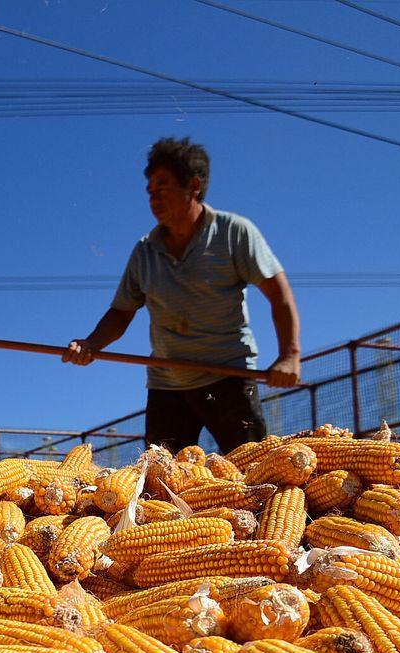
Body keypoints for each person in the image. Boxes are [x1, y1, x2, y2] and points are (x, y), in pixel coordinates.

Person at [64, 137, 301, 452]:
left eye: (161, 189)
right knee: (161, 484)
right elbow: (121, 312)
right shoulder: (144, 251)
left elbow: (279, 294)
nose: (153, 199)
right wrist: (92, 343)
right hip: (168, 384)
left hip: (228, 375)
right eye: (149, 192)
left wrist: (289, 357)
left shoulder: (234, 233)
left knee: (252, 476)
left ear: (194, 186)